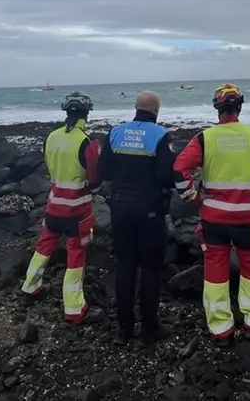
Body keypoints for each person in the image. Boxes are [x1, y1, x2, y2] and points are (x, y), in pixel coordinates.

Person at [173, 83, 250, 347]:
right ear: (240, 107)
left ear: (217, 109)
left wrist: (193, 197)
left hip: (214, 219)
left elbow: (179, 169)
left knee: (215, 271)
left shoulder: (204, 138)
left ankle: (221, 330)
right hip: (247, 218)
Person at [98, 91, 175, 346]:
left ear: (135, 107)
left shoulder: (116, 132)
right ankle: (149, 328)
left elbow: (104, 170)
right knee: (151, 267)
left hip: (120, 209)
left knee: (125, 265)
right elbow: (167, 175)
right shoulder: (160, 135)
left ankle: (124, 329)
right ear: (157, 109)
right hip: (149, 210)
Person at [21, 91, 105, 324]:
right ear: (87, 113)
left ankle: (30, 286)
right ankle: (74, 309)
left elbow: (50, 166)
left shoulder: (52, 137)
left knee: (44, 246)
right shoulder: (86, 142)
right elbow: (94, 179)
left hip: (54, 206)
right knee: (76, 255)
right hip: (78, 211)